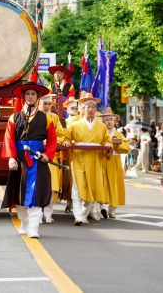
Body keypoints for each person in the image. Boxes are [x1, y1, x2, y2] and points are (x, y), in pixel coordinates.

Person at [1, 81, 57, 238]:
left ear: (37, 97)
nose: (30, 97)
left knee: (36, 194)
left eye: (33, 94)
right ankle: (24, 222)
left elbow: (52, 140)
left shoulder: (46, 119)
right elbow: (8, 139)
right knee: (19, 196)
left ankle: (33, 227)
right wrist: (11, 158)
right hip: (19, 160)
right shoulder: (14, 117)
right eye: (28, 94)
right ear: (23, 97)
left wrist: (48, 154)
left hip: (38, 160)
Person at [62, 93, 112, 225]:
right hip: (79, 157)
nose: (90, 109)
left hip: (95, 159)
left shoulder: (101, 127)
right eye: (87, 107)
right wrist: (67, 142)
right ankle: (78, 216)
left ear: (96, 110)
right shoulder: (74, 125)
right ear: (82, 110)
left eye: (93, 107)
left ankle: (83, 214)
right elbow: (67, 137)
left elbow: (107, 140)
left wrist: (108, 144)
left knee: (92, 187)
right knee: (77, 187)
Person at [38, 94, 66, 223]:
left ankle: (48, 214)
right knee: (37, 185)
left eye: (49, 104)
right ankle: (37, 213)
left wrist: (52, 143)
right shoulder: (32, 115)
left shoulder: (54, 117)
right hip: (35, 153)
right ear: (39, 103)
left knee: (52, 185)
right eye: (45, 104)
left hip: (50, 153)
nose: (47, 106)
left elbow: (60, 134)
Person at [98, 107, 129, 218]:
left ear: (115, 121)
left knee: (115, 184)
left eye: (111, 119)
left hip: (115, 161)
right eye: (106, 120)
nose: (109, 122)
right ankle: (103, 206)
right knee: (103, 183)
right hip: (102, 160)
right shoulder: (100, 133)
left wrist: (117, 144)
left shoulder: (119, 134)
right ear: (103, 122)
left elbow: (126, 147)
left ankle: (112, 208)